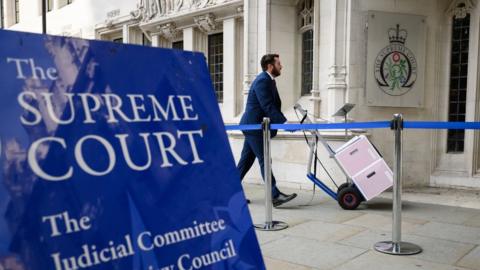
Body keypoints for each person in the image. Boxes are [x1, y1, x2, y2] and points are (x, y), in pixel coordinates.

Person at [237, 54, 297, 207]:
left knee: (245, 162)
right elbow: (268, 106)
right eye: (278, 63)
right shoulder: (263, 80)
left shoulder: (268, 80)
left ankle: (227, 193)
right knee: (265, 159)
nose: (281, 66)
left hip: (252, 126)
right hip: (254, 127)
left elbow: (271, 106)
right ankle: (275, 195)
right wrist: (284, 123)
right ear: (270, 66)